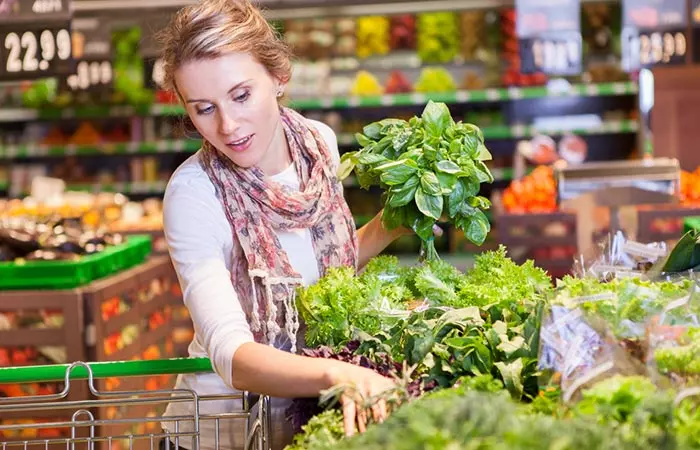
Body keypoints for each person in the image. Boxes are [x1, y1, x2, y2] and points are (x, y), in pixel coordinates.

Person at [156, 0, 424, 449]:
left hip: (304, 422)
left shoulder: (318, 145)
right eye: (204, 108)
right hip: (222, 434)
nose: (228, 125)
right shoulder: (194, 193)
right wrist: (337, 372)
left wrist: (391, 224)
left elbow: (320, 274)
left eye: (241, 95)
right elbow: (230, 354)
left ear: (279, 78)